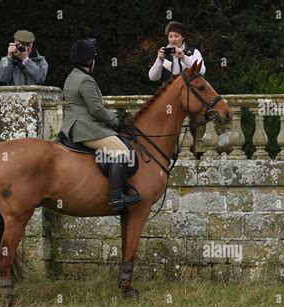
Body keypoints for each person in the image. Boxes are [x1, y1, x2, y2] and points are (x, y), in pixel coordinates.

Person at [60, 40, 142, 211]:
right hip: (85, 128)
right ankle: (117, 197)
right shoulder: (86, 80)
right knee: (121, 152)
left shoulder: (71, 76)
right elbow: (96, 109)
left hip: (73, 125)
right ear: (90, 61)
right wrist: (116, 122)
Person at [148, 22, 206, 156]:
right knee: (168, 130)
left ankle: (189, 156)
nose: (173, 39)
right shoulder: (165, 54)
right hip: (169, 98)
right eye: (170, 36)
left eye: (176, 36)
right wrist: (159, 59)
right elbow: (152, 77)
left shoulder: (192, 52)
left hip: (188, 97)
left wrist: (184, 57)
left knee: (191, 128)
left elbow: (201, 70)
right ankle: (169, 156)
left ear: (183, 37)